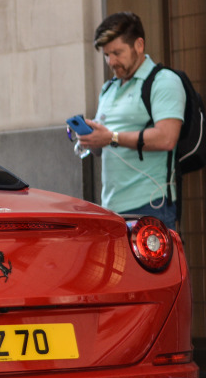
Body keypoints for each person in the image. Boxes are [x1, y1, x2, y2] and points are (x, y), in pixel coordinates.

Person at [78, 12, 186, 228]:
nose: (112, 62)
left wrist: (111, 138)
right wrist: (92, 140)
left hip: (150, 204)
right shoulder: (109, 88)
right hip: (111, 207)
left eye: (117, 53)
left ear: (139, 45)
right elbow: (106, 145)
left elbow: (166, 138)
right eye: (107, 55)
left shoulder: (163, 81)